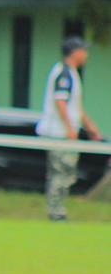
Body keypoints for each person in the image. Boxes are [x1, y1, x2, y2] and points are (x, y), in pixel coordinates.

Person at [36, 36, 104, 221]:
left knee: (66, 173)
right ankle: (56, 213)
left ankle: (59, 210)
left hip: (64, 132)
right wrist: (69, 128)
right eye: (83, 50)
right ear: (75, 53)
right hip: (58, 133)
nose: (86, 54)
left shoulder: (71, 73)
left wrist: (89, 126)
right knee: (60, 172)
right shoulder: (64, 73)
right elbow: (60, 102)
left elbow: (75, 106)